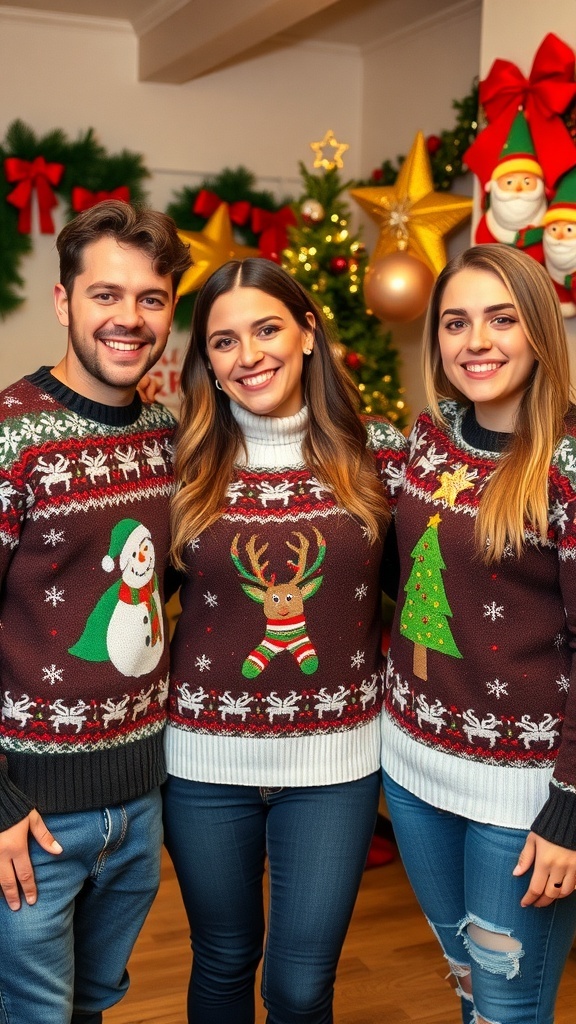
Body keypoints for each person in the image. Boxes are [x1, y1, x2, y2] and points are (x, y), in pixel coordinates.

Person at [163, 257, 407, 1024]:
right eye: (224, 341)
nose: (249, 355)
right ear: (207, 359)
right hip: (203, 766)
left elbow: (440, 591)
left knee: (302, 986)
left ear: (307, 332)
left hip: (336, 766)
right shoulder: (178, 467)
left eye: (267, 329)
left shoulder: (382, 459)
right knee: (224, 961)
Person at [0, 199, 191, 1024]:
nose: (129, 318)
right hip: (29, 815)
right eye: (106, 295)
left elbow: (170, 591)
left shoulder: (168, 433)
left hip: (139, 800)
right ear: (63, 301)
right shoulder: (13, 437)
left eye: (150, 298)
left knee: (95, 1004)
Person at [381, 243, 576, 1024]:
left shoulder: (564, 462)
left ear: (539, 331)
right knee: (465, 980)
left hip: (522, 800)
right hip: (414, 771)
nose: (477, 342)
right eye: (456, 322)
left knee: (507, 1005)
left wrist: (567, 810)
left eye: (502, 319)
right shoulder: (429, 441)